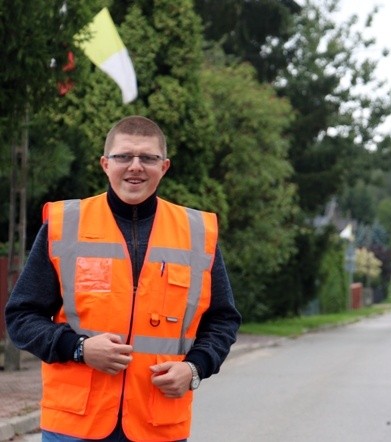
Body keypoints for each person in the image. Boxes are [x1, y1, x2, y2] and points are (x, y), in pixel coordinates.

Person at [5, 115, 241, 441]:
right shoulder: (64, 225)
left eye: (147, 158)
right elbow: (20, 317)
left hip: (158, 423)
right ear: (105, 163)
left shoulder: (197, 233)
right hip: (75, 426)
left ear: (165, 166)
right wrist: (79, 348)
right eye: (123, 157)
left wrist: (195, 369)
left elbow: (223, 320)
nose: (135, 166)